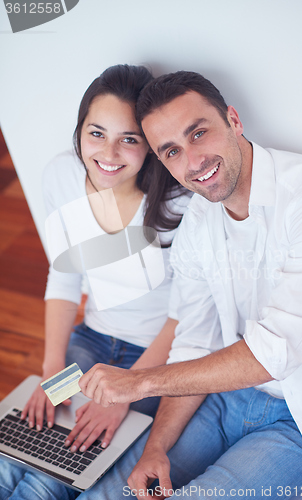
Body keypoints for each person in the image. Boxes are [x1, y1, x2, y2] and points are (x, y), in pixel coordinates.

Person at [75, 71, 302, 499]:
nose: (193, 162)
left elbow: (277, 352)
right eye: (172, 150)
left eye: (199, 133)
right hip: (222, 397)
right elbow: (193, 342)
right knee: (110, 493)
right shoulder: (197, 219)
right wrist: (156, 447)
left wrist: (139, 383)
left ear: (233, 120)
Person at [0, 65, 190, 500]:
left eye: (129, 139)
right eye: (96, 133)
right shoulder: (61, 176)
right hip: (92, 342)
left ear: (150, 146)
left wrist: (123, 395)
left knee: (50, 479)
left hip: (153, 363)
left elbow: (185, 317)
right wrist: (51, 373)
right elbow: (65, 275)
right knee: (17, 449)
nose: (108, 152)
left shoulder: (179, 201)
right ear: (80, 131)